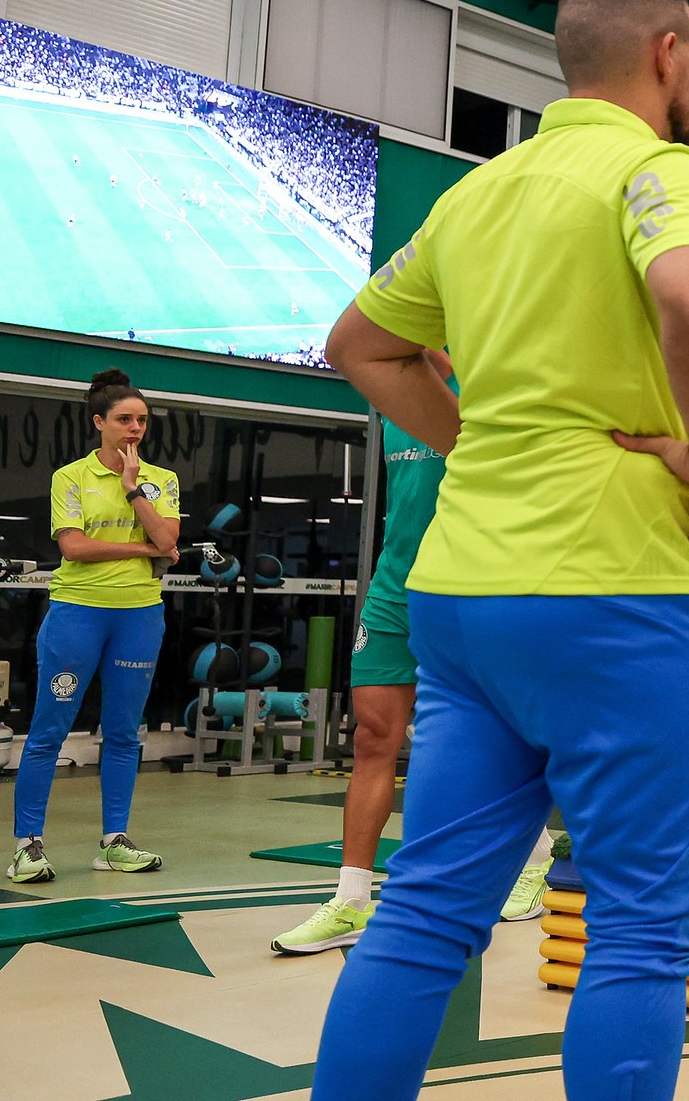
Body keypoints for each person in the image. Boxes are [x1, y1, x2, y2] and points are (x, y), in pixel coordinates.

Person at [312, 0, 689, 1101]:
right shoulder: (659, 166)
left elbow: (356, 345)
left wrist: (474, 445)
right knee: (644, 927)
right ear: (666, 53)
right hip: (605, 587)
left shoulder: (473, 196)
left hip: (463, 598)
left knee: (423, 908)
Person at [270, 349, 552, 956]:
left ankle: (533, 855)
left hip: (472, 584)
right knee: (375, 738)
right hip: (395, 588)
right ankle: (350, 900)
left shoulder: (487, 383)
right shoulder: (393, 394)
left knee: (499, 734)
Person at [8, 369, 180, 883]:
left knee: (125, 732)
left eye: (142, 421)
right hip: (78, 613)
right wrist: (146, 549)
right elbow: (73, 547)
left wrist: (133, 491)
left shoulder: (159, 480)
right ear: (99, 422)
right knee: (47, 732)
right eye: (124, 420)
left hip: (140, 615)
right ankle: (27, 846)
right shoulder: (70, 477)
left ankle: (114, 842)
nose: (134, 429)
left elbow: (168, 535)